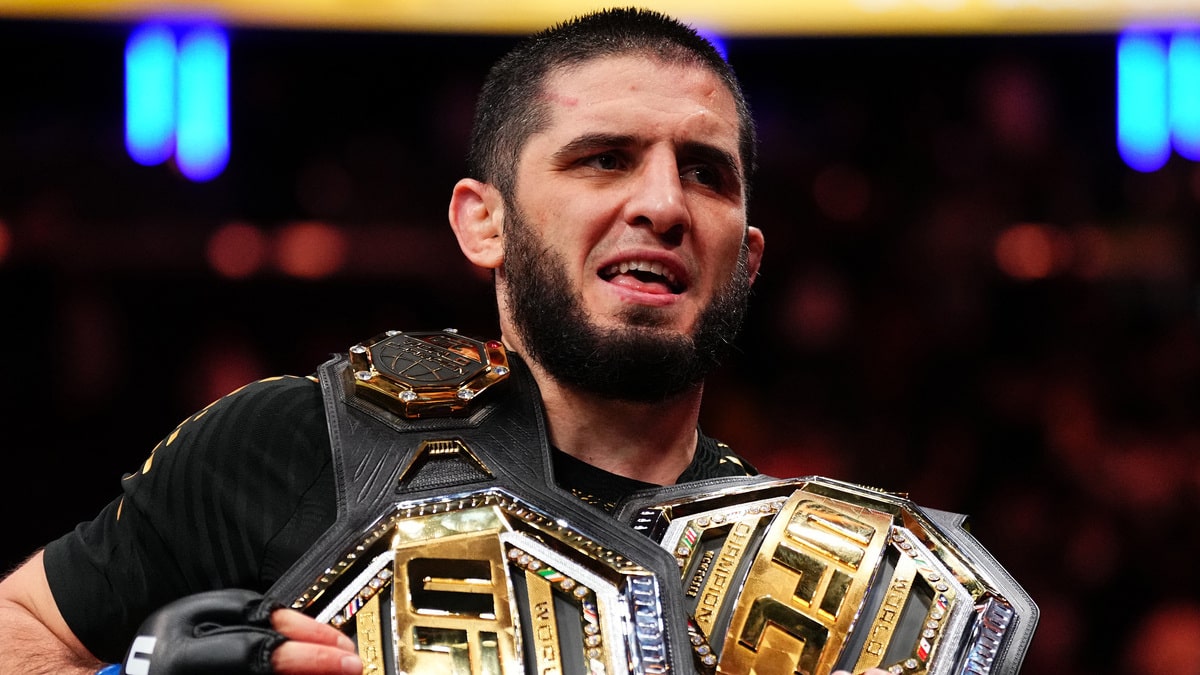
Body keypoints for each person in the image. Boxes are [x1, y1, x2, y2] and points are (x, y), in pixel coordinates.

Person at [0, 8, 893, 675]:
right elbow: (20, 630)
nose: (664, 203)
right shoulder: (290, 447)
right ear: (483, 222)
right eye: (605, 159)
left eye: (706, 173)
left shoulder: (815, 583)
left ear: (748, 259)